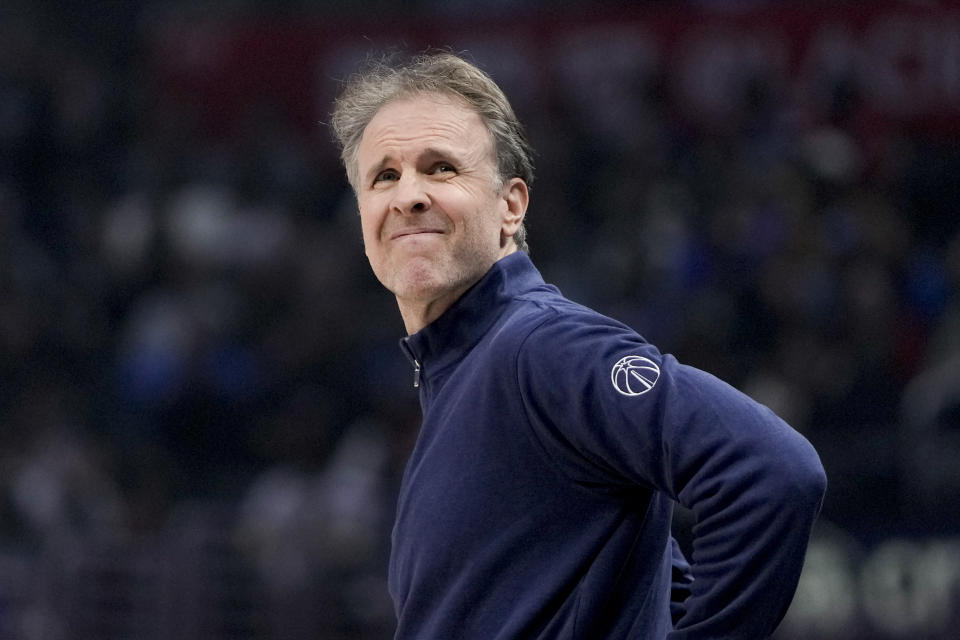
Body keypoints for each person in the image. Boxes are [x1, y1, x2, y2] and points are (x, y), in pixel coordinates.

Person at [331, 52, 827, 639]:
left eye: (441, 168)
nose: (407, 195)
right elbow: (645, 584)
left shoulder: (541, 347)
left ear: (510, 206)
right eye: (383, 176)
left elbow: (771, 470)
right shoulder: (461, 373)